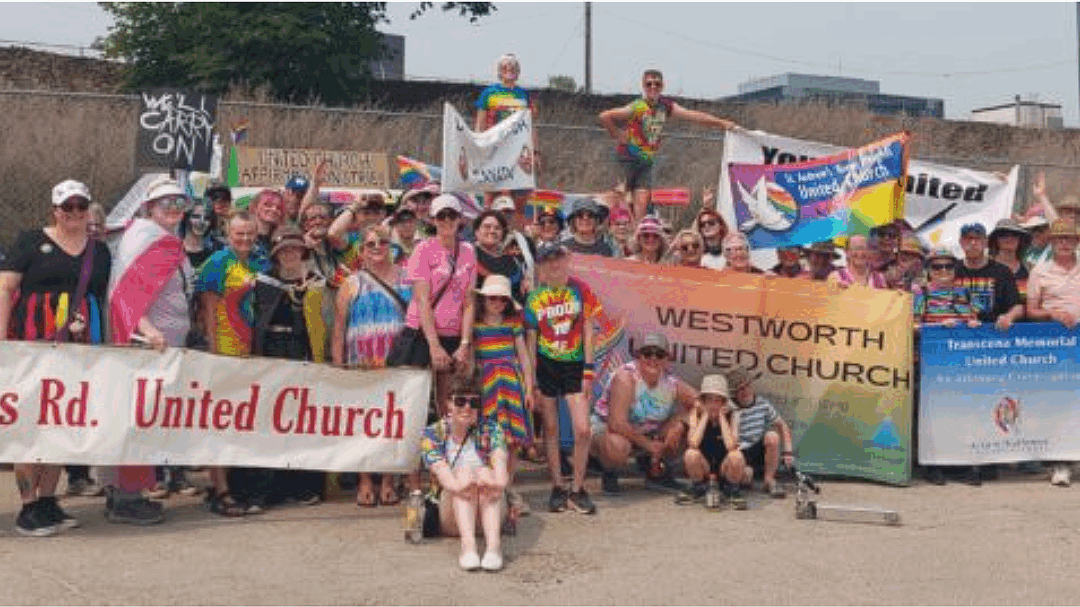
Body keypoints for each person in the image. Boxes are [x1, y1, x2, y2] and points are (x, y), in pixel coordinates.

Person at [0, 179, 112, 536]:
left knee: (65, 423)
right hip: (33, 348)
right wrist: (3, 340)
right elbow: (5, 288)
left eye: (81, 207)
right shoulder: (31, 241)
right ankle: (28, 504)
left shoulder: (100, 251)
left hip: (80, 351)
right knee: (30, 426)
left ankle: (49, 499)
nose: (75, 214)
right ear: (55, 210)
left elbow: (103, 299)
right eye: (68, 208)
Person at [107, 178, 197, 525]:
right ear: (149, 208)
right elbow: (125, 293)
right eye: (166, 203)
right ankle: (126, 498)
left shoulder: (164, 239)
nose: (174, 209)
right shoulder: (147, 238)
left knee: (148, 419)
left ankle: (129, 493)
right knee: (138, 419)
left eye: (179, 203)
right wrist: (146, 330)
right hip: (148, 346)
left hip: (166, 345)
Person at [247, 224, 329, 511]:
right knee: (269, 420)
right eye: (284, 250)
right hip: (271, 354)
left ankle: (302, 486)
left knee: (301, 420)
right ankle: (265, 490)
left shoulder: (317, 283)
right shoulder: (263, 282)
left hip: (301, 354)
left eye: (295, 248)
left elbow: (321, 325)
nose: (290, 254)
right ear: (276, 254)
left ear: (303, 251)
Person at [195, 211, 271, 516]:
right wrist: (213, 351)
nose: (245, 239)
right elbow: (208, 311)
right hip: (223, 349)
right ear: (228, 233)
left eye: (250, 234)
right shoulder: (217, 263)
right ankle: (220, 489)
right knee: (219, 421)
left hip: (249, 350)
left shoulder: (258, 262)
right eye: (239, 234)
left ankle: (233, 485)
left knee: (241, 420)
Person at [332, 224, 413, 506]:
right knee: (363, 424)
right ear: (361, 250)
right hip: (361, 365)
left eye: (382, 242)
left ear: (391, 246)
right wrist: (339, 368)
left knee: (393, 422)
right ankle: (365, 479)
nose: (377, 247)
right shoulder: (351, 283)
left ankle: (388, 479)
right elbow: (339, 330)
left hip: (397, 364)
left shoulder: (408, 279)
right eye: (370, 244)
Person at [598, 69, 739, 220]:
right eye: (649, 84)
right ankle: (600, 226)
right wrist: (617, 134)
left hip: (646, 162)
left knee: (642, 203)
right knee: (616, 198)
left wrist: (722, 123)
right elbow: (605, 116)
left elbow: (693, 116)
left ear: (662, 86)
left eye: (657, 84)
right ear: (643, 86)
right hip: (626, 159)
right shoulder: (637, 106)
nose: (653, 87)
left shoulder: (665, 106)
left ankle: (637, 235)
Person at [524, 242, 601, 514]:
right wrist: (531, 380)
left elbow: (590, 332)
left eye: (558, 258)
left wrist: (589, 371)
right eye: (547, 260)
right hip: (546, 365)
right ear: (541, 266)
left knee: (582, 429)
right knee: (551, 429)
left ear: (567, 260)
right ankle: (557, 486)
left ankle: (578, 489)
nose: (553, 264)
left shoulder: (581, 289)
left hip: (574, 365)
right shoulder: (534, 297)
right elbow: (532, 340)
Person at [392, 194, 478, 416]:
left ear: (460, 219)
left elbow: (469, 302)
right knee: (413, 396)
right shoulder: (423, 249)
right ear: (433, 219)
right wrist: (433, 345)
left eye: (452, 215)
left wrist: (465, 343)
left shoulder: (468, 251)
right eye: (442, 215)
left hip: (453, 333)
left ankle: (444, 444)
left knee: (447, 397)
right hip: (422, 332)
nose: (447, 220)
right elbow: (422, 300)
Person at [420, 375, 510, 572]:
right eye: (460, 401)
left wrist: (489, 480)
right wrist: (466, 482)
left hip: (490, 507)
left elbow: (502, 473)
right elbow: (444, 477)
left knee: (485, 472)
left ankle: (494, 548)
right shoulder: (433, 433)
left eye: (474, 402)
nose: (467, 407)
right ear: (448, 404)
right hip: (451, 514)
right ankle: (468, 548)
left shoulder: (491, 429)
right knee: (462, 473)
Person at [590, 333, 697, 494]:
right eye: (647, 353)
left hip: (644, 432)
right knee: (619, 446)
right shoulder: (626, 377)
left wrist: (682, 422)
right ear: (639, 356)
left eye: (659, 355)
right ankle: (609, 470)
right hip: (608, 429)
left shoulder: (671, 383)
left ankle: (657, 473)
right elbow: (616, 423)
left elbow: (702, 402)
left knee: (684, 426)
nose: (653, 359)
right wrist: (648, 445)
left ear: (666, 360)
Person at [912, 248, 980, 487]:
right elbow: (912, 326)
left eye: (948, 267)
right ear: (929, 270)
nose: (942, 271)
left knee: (962, 413)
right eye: (937, 267)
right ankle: (933, 465)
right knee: (932, 415)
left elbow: (972, 318)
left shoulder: (963, 293)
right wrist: (939, 328)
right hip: (931, 365)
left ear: (954, 270)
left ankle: (963, 464)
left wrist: (973, 324)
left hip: (960, 366)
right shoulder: (921, 293)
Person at [473, 274, 535, 519]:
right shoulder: (475, 327)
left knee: (512, 441)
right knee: (489, 438)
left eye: (502, 299)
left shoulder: (513, 324)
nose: (497, 303)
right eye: (492, 298)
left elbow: (524, 358)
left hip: (511, 385)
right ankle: (492, 485)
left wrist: (529, 388)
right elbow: (472, 360)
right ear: (484, 299)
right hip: (487, 387)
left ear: (508, 302)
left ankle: (508, 487)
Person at [1025, 219, 1080, 487]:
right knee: (1061, 403)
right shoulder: (1040, 271)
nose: (1065, 243)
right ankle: (1061, 462)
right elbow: (1030, 310)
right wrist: (1053, 313)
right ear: (1052, 242)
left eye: (1070, 238)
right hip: (1055, 345)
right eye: (1060, 239)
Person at [475, 53, 539, 213]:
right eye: (505, 67)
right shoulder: (489, 93)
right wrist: (478, 147)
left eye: (513, 67)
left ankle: (516, 230)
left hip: (519, 152)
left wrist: (535, 152)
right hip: (494, 149)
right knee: (493, 193)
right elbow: (480, 124)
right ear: (499, 71)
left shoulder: (524, 95)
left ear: (518, 72)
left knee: (519, 195)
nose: (509, 70)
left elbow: (531, 126)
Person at [720, 366, 795, 498]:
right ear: (734, 392)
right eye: (739, 389)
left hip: (757, 449)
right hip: (738, 451)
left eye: (747, 386)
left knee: (772, 436)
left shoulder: (762, 404)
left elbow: (782, 425)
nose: (745, 391)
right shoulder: (728, 408)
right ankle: (740, 478)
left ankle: (769, 480)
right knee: (745, 476)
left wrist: (788, 452)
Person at [681, 374, 741, 508]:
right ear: (703, 401)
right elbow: (693, 443)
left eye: (717, 400)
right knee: (691, 454)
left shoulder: (733, 414)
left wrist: (721, 418)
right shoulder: (695, 414)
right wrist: (705, 416)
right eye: (709, 400)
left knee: (736, 456)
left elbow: (732, 446)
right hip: (705, 466)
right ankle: (699, 487)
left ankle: (731, 490)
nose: (713, 404)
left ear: (724, 402)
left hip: (724, 467)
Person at [954, 222, 1024, 332]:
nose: (973, 243)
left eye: (978, 239)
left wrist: (1008, 317)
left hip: (992, 335)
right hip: (955, 333)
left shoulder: (1002, 271)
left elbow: (1018, 307)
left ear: (986, 242)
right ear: (961, 242)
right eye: (968, 239)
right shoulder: (950, 269)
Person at [473, 210, 527, 305]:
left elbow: (519, 293)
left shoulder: (513, 262)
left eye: (497, 228)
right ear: (477, 232)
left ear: (503, 234)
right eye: (487, 227)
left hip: (509, 315)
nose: (492, 231)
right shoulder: (467, 255)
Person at [988, 218, 1031, 305]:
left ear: (1020, 239)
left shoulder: (1029, 268)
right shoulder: (986, 267)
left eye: (1014, 234)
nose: (1009, 238)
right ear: (996, 240)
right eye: (1003, 235)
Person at [180, 198, 222, 270]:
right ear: (186, 218)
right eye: (196, 217)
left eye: (206, 218)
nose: (201, 222)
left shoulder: (218, 249)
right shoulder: (173, 249)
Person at [250, 189, 285, 258]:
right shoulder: (244, 235)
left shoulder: (281, 239)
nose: (274, 209)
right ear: (255, 207)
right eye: (268, 205)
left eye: (279, 208)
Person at [696, 202, 728, 270]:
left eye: (711, 223)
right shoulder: (695, 254)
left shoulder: (732, 252)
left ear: (721, 225)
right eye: (702, 224)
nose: (706, 226)